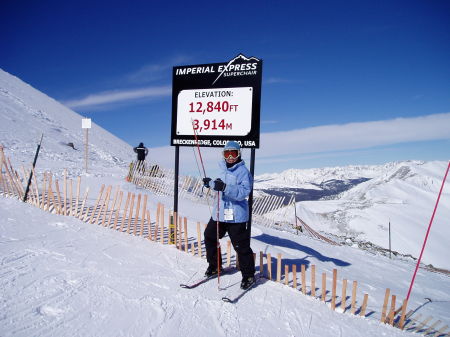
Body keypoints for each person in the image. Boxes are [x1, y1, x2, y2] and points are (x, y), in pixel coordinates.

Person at [202, 141, 256, 290]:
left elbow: (243, 192)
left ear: (239, 154)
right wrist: (211, 184)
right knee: (209, 236)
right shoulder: (222, 169)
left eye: (234, 153)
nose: (230, 156)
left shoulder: (243, 172)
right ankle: (215, 266)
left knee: (240, 245)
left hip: (236, 215)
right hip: (220, 213)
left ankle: (249, 275)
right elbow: (220, 186)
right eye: (227, 153)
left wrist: (224, 187)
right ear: (223, 155)